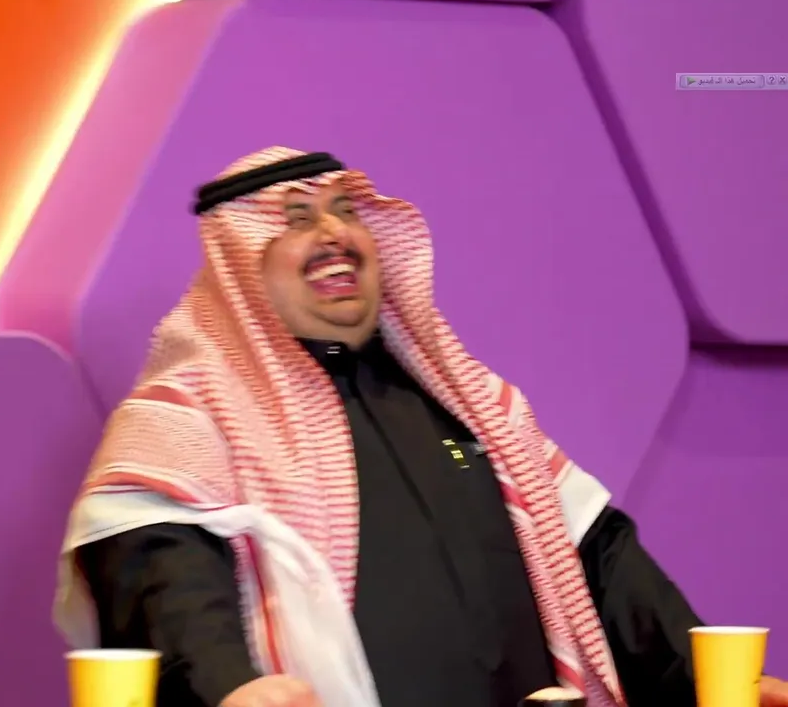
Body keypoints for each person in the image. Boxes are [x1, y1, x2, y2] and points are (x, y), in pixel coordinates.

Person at [55, 148, 788, 707]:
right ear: (239, 264)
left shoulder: (475, 406)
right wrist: (229, 688)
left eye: (347, 209)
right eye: (297, 218)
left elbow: (599, 558)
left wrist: (707, 679)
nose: (335, 232)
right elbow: (163, 584)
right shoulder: (187, 418)